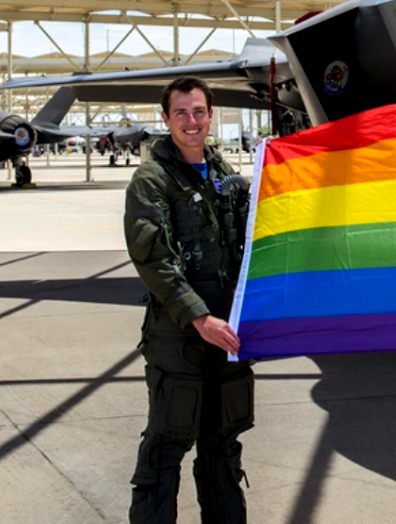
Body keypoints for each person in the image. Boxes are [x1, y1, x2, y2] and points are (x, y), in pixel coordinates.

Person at [124, 76, 254, 524]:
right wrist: (200, 319)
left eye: (199, 111)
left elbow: (256, 244)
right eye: (181, 113)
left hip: (228, 335)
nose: (191, 121)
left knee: (222, 447)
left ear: (210, 116)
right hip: (177, 336)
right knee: (167, 446)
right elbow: (152, 257)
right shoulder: (151, 179)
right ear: (166, 119)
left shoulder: (227, 179)